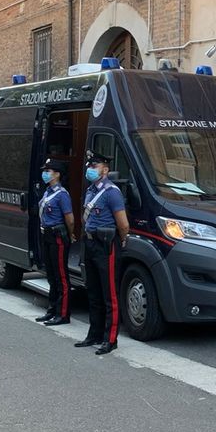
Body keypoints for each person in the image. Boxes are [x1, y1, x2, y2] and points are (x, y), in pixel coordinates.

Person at [75, 150, 129, 355]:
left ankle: (110, 338)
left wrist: (122, 240)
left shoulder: (112, 192)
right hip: (90, 244)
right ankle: (94, 334)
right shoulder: (90, 190)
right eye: (89, 166)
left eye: (94, 166)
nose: (90, 169)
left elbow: (123, 223)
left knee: (110, 295)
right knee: (93, 291)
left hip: (106, 245)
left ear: (105, 170)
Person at [35, 159, 75, 326]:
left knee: (61, 277)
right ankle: (52, 310)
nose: (45, 173)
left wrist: (70, 235)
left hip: (58, 235)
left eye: (48, 171)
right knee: (51, 275)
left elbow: (70, 219)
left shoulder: (62, 194)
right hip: (47, 235)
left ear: (57, 174)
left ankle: (63, 314)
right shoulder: (48, 191)